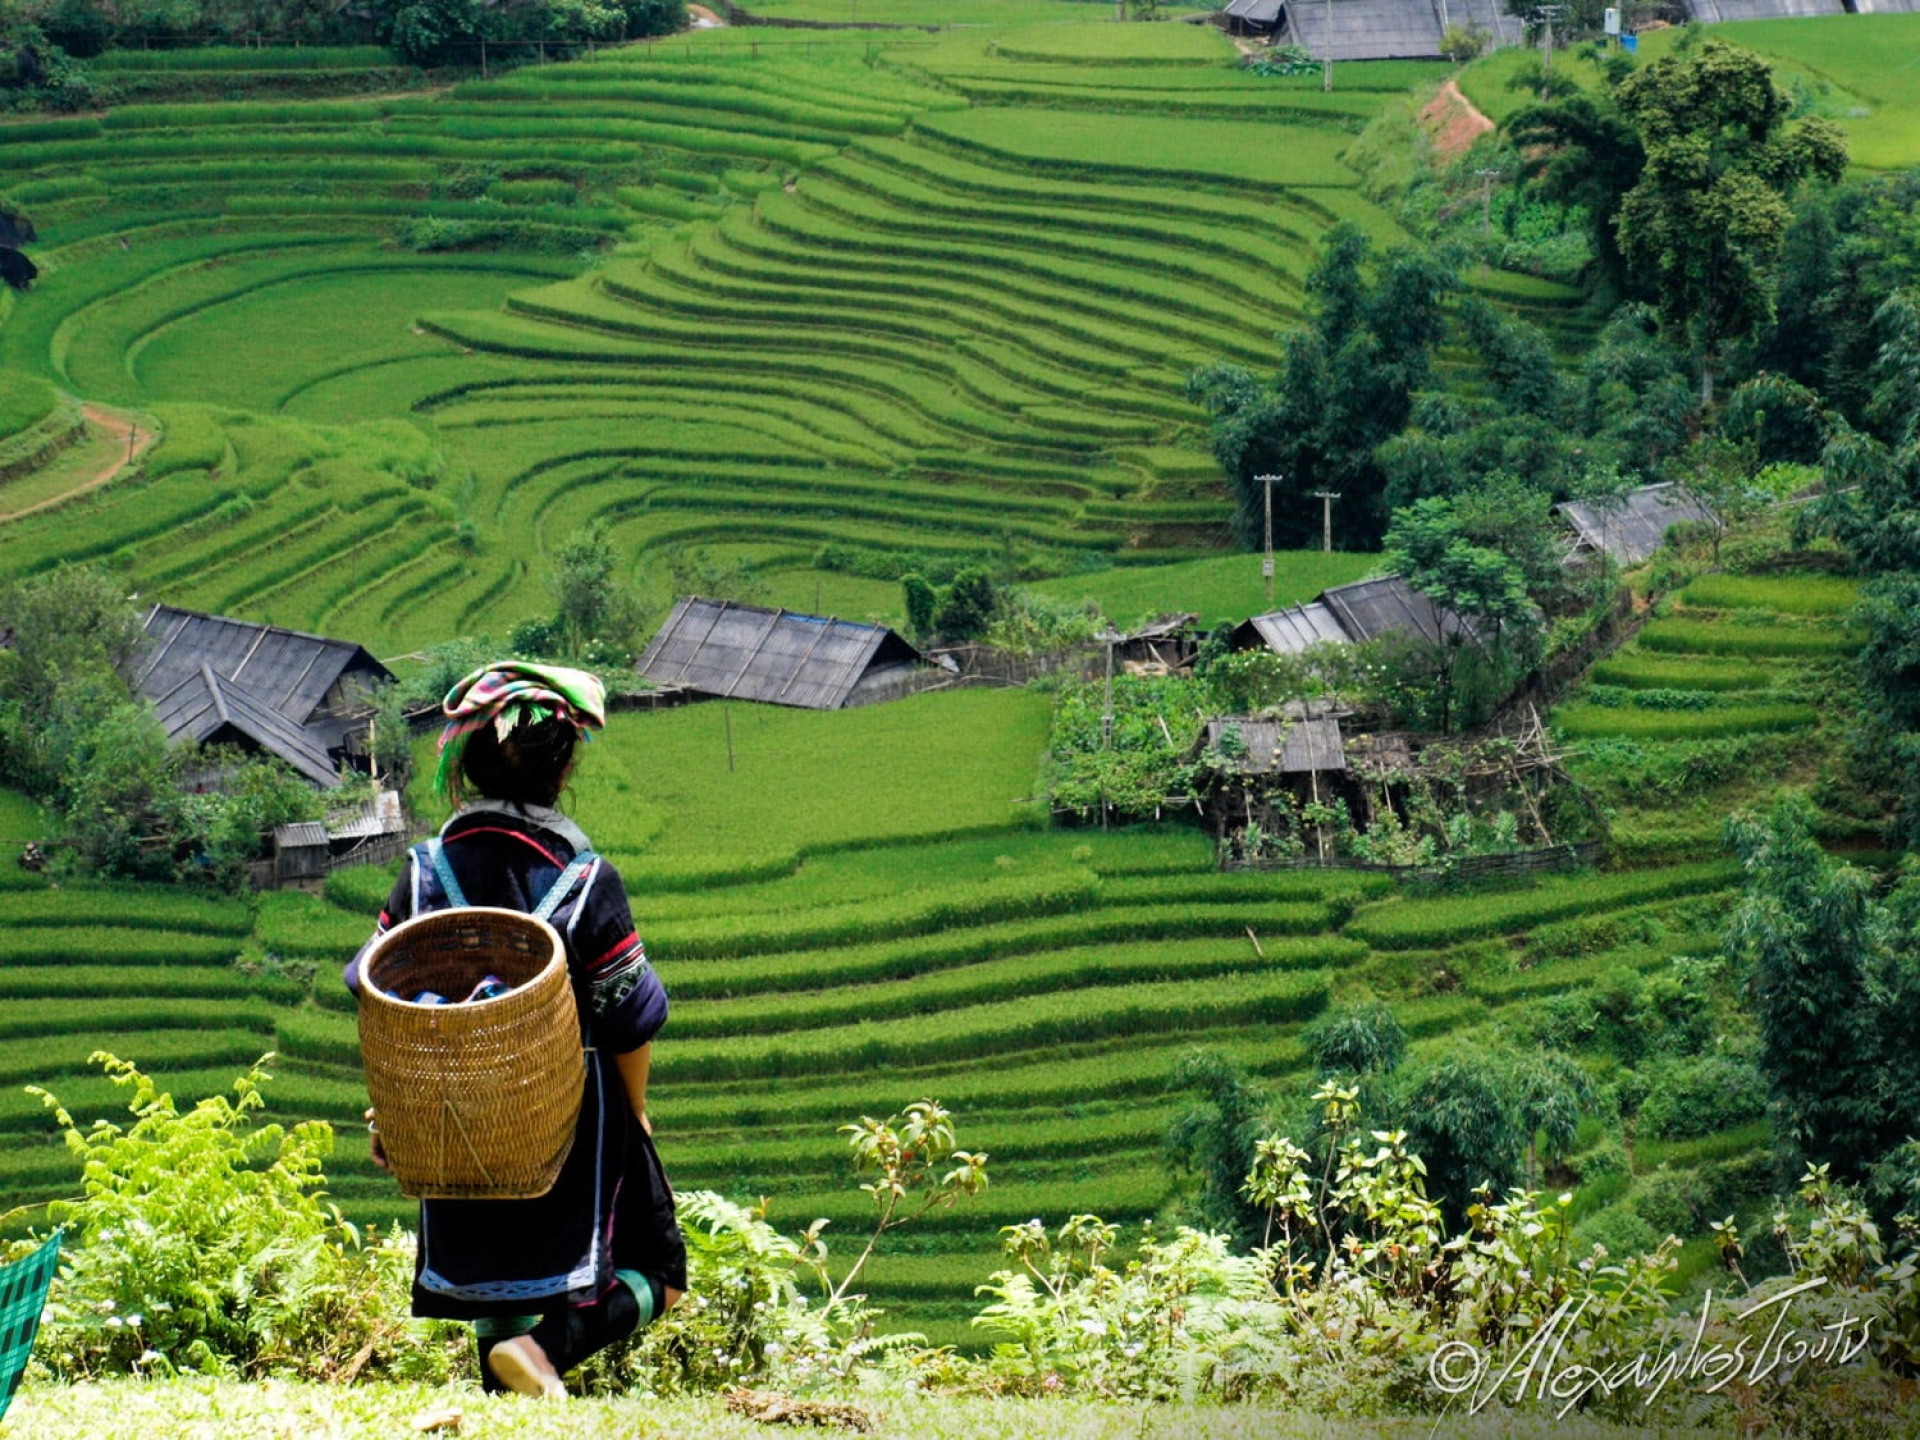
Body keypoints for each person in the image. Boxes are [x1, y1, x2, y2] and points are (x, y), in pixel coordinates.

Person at [345, 660, 684, 1400]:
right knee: (662, 1268)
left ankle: (519, 1365)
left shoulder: (424, 873)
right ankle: (549, 1350)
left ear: (466, 765)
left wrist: (391, 1109)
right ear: (562, 769)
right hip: (559, 1123)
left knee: (497, 1295)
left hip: (450, 1122)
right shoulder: (586, 882)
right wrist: (637, 1112)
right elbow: (628, 1017)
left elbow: (377, 995)